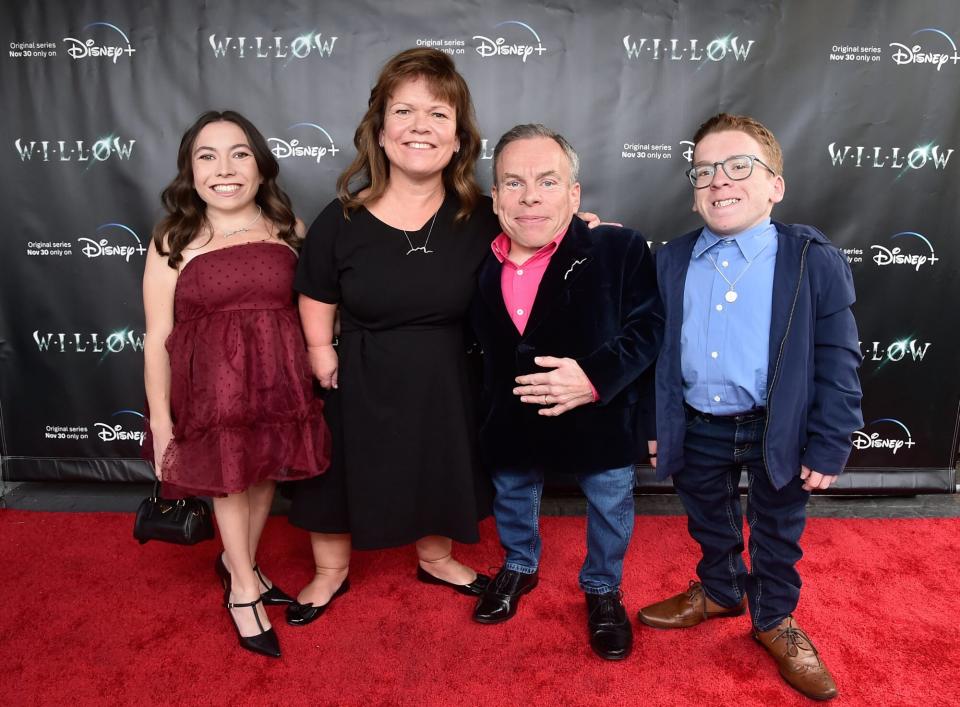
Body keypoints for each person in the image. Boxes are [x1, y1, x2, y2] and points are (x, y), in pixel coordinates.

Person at [287, 48, 604, 624]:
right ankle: (330, 573)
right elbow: (315, 290)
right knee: (337, 476)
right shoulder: (342, 219)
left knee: (440, 464)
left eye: (438, 115)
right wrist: (317, 349)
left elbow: (541, 236)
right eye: (404, 112)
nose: (420, 127)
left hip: (450, 372)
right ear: (380, 133)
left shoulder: (483, 215)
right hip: (359, 370)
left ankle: (435, 558)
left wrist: (582, 228)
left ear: (458, 139)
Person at [638, 113, 862, 699]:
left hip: (776, 428)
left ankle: (774, 620)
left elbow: (839, 358)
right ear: (693, 194)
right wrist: (658, 423)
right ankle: (718, 589)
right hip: (697, 424)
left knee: (777, 529)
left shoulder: (812, 258)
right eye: (704, 171)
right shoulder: (671, 259)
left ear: (774, 186)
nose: (720, 181)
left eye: (739, 166)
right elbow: (655, 352)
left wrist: (832, 438)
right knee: (707, 518)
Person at [469, 124, 663, 661]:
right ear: (496, 196)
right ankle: (520, 565)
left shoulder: (618, 245)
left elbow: (648, 330)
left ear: (574, 194)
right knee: (512, 495)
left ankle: (603, 589)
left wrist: (594, 378)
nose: (530, 196)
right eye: (514, 182)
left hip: (598, 419)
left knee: (608, 504)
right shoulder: (477, 262)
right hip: (510, 417)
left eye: (547, 181)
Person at [142, 110, 331, 658]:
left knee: (264, 472)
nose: (224, 169)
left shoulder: (287, 229)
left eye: (239, 153)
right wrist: (160, 420)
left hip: (279, 383)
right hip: (212, 391)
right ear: (190, 171)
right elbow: (158, 337)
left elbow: (319, 308)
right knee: (228, 481)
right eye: (207, 156)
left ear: (259, 166)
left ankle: (234, 562)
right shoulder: (172, 239)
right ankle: (244, 589)